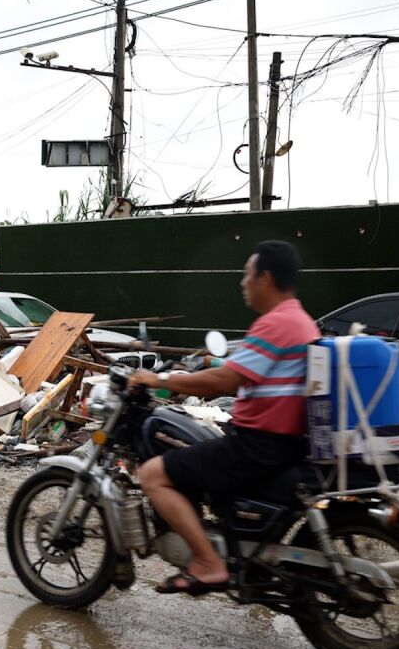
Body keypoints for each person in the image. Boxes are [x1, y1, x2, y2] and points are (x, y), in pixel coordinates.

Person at [129, 240, 320, 595]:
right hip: (281, 445)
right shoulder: (301, 320)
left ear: (265, 278)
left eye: (246, 274)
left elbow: (224, 379)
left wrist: (159, 379)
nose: (242, 282)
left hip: (258, 446)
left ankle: (207, 562)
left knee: (152, 473)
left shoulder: (277, 323)